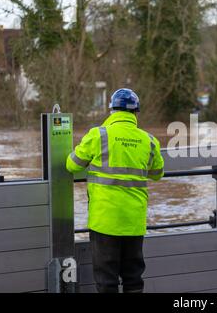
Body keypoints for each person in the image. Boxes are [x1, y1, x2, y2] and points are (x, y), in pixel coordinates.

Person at [66, 88, 164, 293]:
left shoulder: (98, 135)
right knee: (133, 279)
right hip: (134, 222)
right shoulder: (149, 140)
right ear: (135, 113)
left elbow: (72, 165)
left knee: (106, 281)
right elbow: (157, 173)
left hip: (105, 221)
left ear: (111, 111)